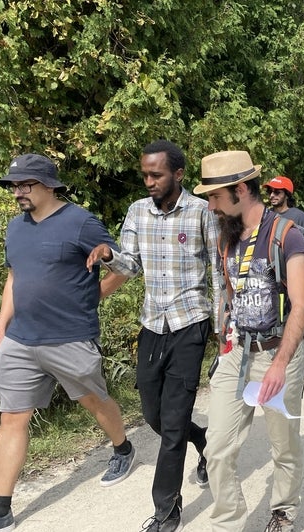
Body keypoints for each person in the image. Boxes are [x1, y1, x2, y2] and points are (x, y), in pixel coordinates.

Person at [0, 154, 135, 532]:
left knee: (93, 400)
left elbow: (128, 267)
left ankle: (122, 447)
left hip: (69, 337)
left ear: (50, 186)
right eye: (14, 186)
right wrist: (1, 327)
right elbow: (14, 279)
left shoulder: (81, 222)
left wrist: (97, 291)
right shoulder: (15, 228)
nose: (18, 192)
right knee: (11, 417)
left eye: (25, 185)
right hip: (21, 338)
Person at [85, 140, 221, 532]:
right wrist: (110, 258)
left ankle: (166, 510)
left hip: (189, 324)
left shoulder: (199, 212)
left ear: (178, 174)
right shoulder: (137, 212)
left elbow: (217, 270)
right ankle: (205, 442)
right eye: (145, 174)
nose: (149, 181)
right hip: (151, 325)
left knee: (173, 423)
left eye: (156, 174)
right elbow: (130, 266)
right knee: (153, 415)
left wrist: (219, 330)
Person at [195, 150, 304, 532]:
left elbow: (301, 306)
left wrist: (279, 365)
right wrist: (225, 342)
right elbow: (229, 295)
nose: (210, 206)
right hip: (237, 353)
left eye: (214, 197)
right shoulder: (227, 238)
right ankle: (228, 521)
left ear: (241, 189)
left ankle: (283, 511)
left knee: (283, 446)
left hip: (277, 354)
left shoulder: (285, 235)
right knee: (217, 446)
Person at [262, 175, 304, 331]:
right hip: (273, 277)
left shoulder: (298, 216)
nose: (272, 196)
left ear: (287, 195)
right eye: (270, 192)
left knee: (300, 320)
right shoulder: (266, 217)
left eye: (277, 192)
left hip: (296, 275)